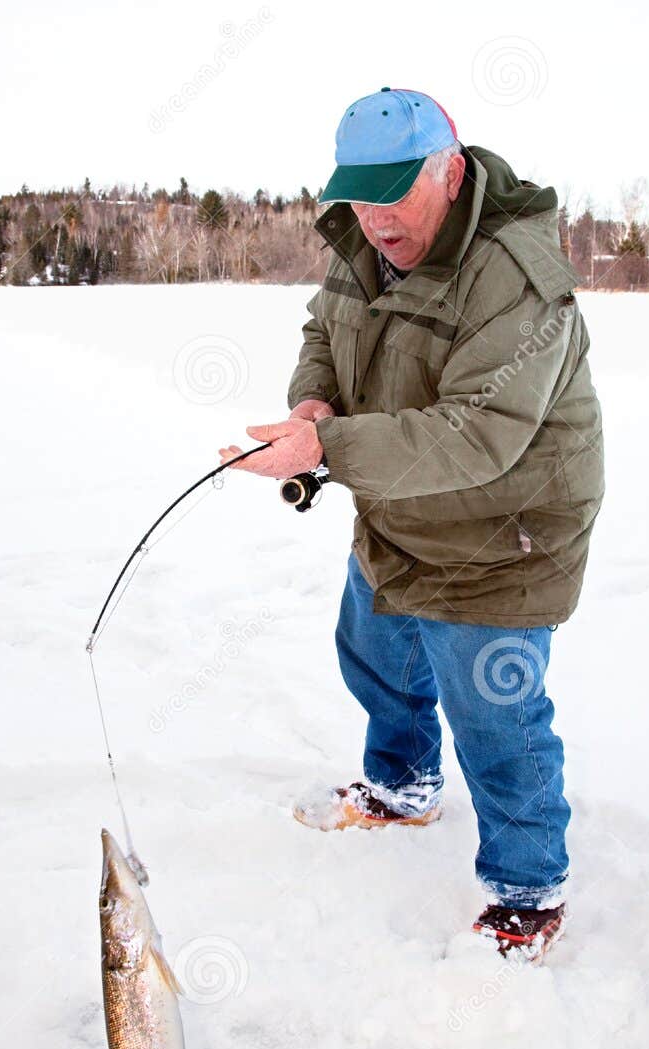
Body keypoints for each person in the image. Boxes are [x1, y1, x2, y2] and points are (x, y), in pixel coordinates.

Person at [219, 87, 604, 959]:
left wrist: (327, 447)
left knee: (496, 721)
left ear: (451, 173)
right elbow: (323, 329)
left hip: (502, 531)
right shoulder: (364, 242)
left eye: (394, 195)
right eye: (359, 198)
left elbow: (479, 434)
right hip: (399, 505)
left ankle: (526, 892)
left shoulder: (516, 278)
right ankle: (401, 788)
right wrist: (313, 402)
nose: (376, 219)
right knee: (376, 655)